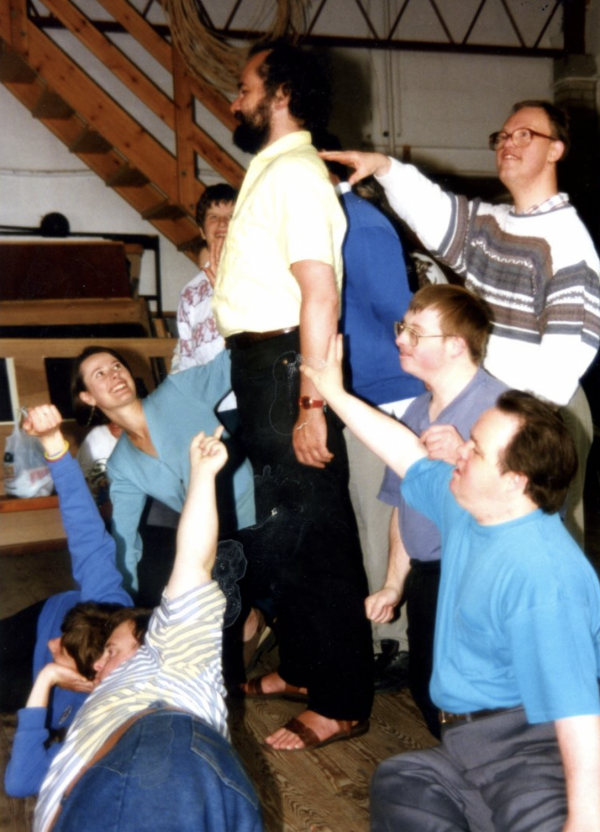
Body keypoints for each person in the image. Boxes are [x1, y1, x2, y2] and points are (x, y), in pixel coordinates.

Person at [302, 335, 600, 832]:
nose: (459, 452)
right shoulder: (470, 508)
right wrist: (333, 392)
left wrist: (584, 820)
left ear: (515, 480)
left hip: (532, 750)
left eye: (475, 450)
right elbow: (406, 454)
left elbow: (577, 710)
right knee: (402, 781)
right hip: (465, 748)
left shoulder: (544, 572)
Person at [321, 100, 600, 547]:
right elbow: (434, 211)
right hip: (494, 406)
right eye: (503, 136)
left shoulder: (568, 241)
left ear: (556, 151)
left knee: (542, 541)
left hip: (544, 410)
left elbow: (564, 359)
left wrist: (496, 429)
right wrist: (386, 166)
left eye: (526, 135)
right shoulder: (494, 223)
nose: (509, 144)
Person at [211, 42, 373, 750]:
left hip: (285, 369)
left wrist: (313, 401)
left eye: (244, 88)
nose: (234, 101)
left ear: (277, 94)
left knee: (319, 539)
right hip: (264, 366)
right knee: (294, 531)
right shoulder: (272, 171)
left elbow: (320, 293)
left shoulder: (298, 174)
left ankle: (341, 702)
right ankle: (306, 669)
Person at [33, 428, 263, 832]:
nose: (100, 660)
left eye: (110, 648)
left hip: (152, 751)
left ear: (149, 641)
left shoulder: (174, 656)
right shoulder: (89, 692)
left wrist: (203, 475)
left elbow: (194, 560)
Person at [366, 284, 507, 736]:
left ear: (455, 345)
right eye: (401, 328)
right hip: (430, 576)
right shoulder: (414, 413)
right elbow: (403, 507)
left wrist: (466, 456)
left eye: (414, 332)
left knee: (481, 701)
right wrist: (392, 584)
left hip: (479, 574)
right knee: (429, 691)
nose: (400, 340)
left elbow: (527, 507)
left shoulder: (500, 409)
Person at [318, 137, 424, 690]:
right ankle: (387, 634)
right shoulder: (321, 225)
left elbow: (399, 312)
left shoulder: (358, 224)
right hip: (354, 394)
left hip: (392, 393)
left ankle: (401, 643)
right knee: (364, 515)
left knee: (390, 515)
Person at [3, 404, 132, 797]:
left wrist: (46, 678)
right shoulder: (107, 601)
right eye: (63, 639)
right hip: (46, 614)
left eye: (61, 653)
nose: (52, 645)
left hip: (37, 680)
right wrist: (52, 443)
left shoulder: (90, 719)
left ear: (89, 674)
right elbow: (84, 527)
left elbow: (20, 784)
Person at [71, 346, 255, 593]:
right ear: (88, 398)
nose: (114, 374)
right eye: (99, 374)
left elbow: (232, 360)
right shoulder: (121, 464)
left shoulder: (179, 391)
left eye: (117, 366)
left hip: (262, 517)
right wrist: (124, 598)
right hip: (216, 545)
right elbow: (124, 537)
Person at [171, 183, 238, 373]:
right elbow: (186, 360)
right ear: (202, 230)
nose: (223, 223)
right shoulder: (190, 292)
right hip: (211, 399)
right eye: (213, 217)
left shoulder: (264, 274)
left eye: (231, 216)